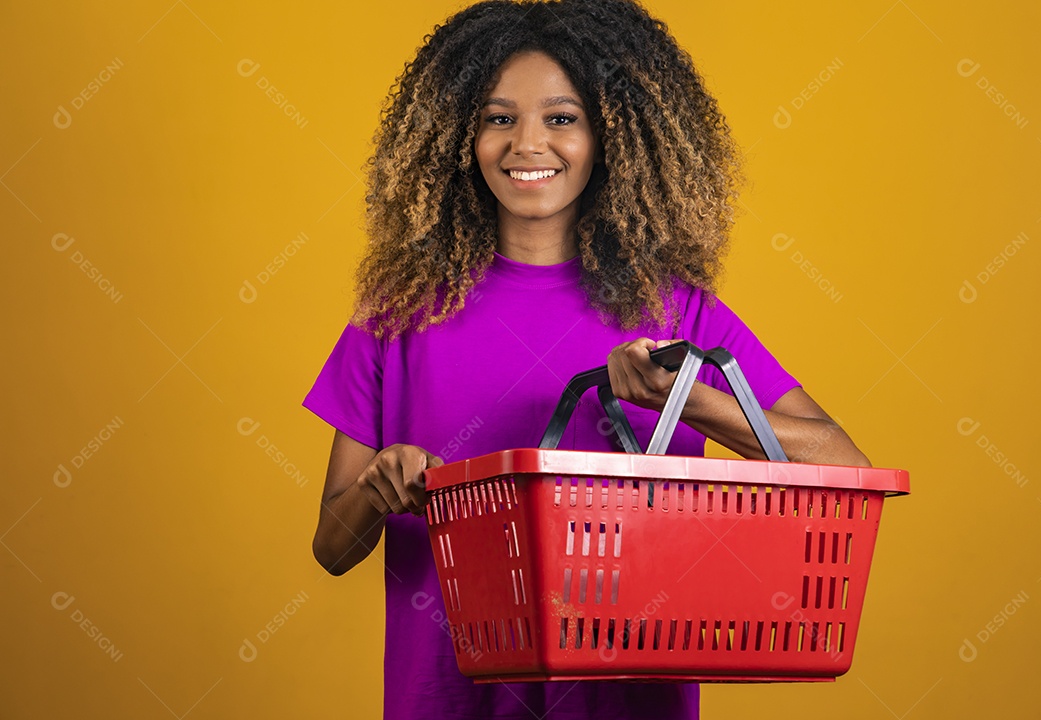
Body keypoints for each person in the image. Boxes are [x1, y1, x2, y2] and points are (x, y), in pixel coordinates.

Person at [303, 0, 870, 717]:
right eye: (498, 118)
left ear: (612, 138)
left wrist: (686, 399)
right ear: (459, 137)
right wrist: (378, 489)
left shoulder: (676, 314)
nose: (526, 144)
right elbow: (331, 545)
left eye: (562, 118)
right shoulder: (397, 316)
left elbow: (844, 465)